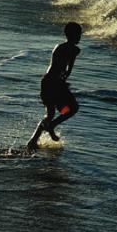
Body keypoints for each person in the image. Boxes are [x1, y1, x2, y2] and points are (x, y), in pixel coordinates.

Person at [26, 22, 82, 151]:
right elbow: (66, 69)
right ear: (71, 35)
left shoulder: (68, 48)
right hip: (52, 83)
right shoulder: (66, 49)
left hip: (49, 82)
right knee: (72, 108)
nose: (80, 37)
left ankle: (33, 140)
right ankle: (51, 127)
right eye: (78, 34)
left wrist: (63, 82)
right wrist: (62, 83)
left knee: (52, 113)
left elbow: (67, 71)